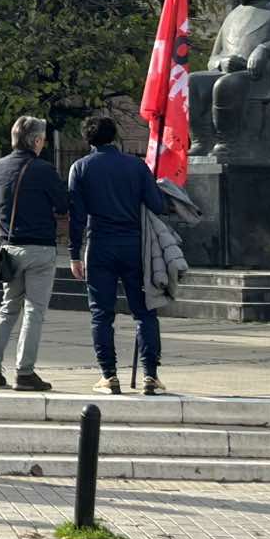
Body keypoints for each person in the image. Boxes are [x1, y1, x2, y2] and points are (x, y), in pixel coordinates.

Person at [68, 114, 169, 396]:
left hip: (99, 245)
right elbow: (157, 204)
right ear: (115, 136)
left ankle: (109, 375)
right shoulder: (136, 165)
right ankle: (151, 375)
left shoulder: (80, 168)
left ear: (88, 139)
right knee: (145, 311)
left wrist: (74, 254)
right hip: (134, 245)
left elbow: (77, 216)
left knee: (102, 314)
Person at [0, 116, 69, 391]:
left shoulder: (0, 166)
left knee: (8, 308)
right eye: (42, 139)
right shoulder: (44, 169)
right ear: (36, 140)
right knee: (34, 312)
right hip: (39, 248)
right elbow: (63, 204)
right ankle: (25, 372)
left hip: (9, 248)